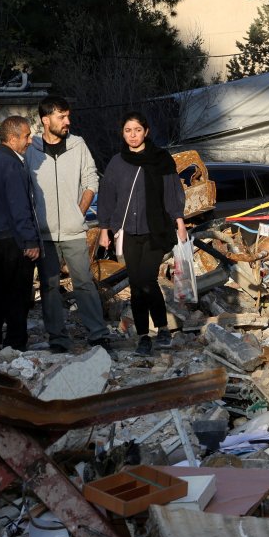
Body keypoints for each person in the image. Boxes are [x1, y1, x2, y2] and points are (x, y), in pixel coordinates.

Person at [26, 95, 114, 351]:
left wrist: (79, 211)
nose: (67, 121)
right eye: (61, 117)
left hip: (74, 231)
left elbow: (91, 180)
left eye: (68, 116)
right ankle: (58, 339)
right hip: (44, 234)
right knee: (50, 287)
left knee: (84, 283)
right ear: (45, 119)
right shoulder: (30, 148)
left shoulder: (78, 144)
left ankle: (98, 334)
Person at [97, 113, 187, 357]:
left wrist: (179, 221)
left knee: (146, 279)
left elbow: (172, 191)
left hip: (156, 230)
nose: (133, 135)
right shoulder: (117, 163)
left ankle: (162, 327)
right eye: (128, 130)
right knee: (138, 286)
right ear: (122, 133)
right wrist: (104, 229)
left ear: (146, 131)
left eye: (137, 130)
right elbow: (106, 197)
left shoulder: (161, 159)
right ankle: (145, 337)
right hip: (128, 232)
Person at [0, 116, 41, 351]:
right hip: (11, 240)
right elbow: (19, 206)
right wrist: (30, 240)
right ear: (12, 138)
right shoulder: (13, 165)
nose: (30, 141)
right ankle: (15, 343)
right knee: (17, 294)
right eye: (26, 136)